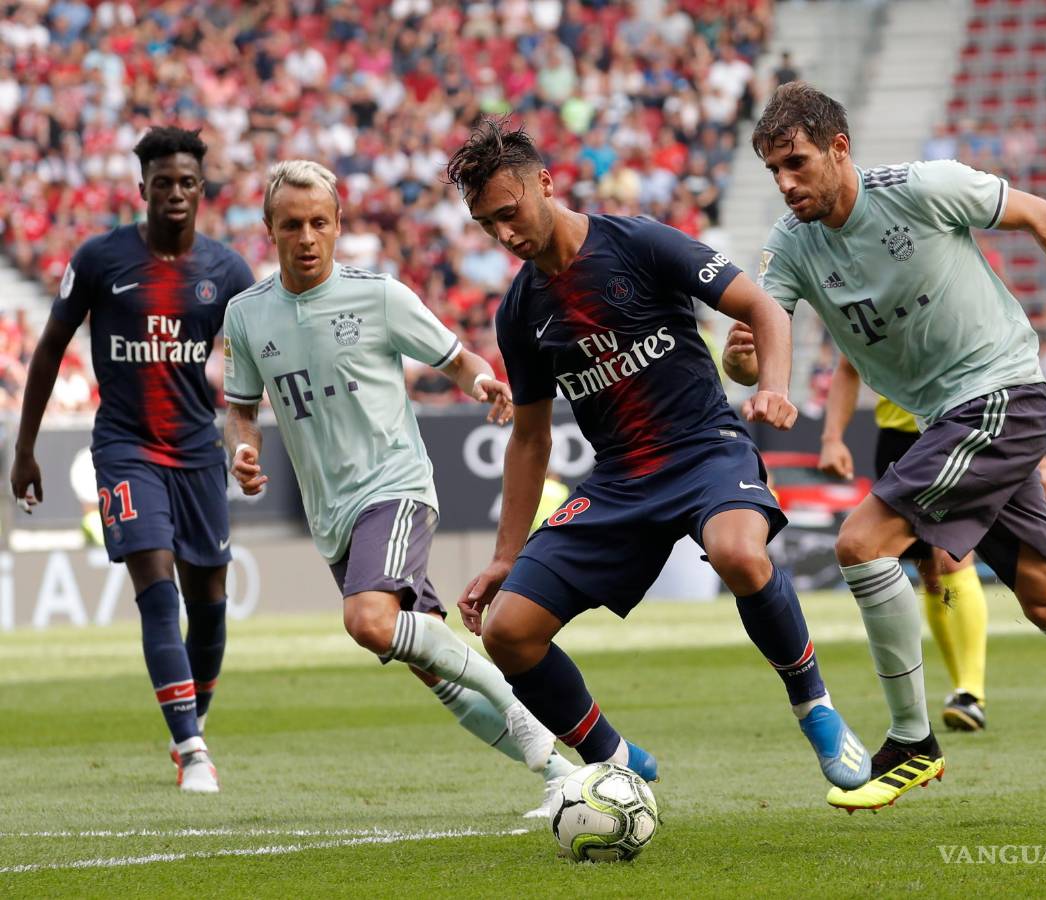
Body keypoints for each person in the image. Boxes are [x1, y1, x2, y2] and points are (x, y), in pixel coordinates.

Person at [724, 82, 1046, 816]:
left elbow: (1042, 215)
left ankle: (912, 742)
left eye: (797, 163)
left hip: (1001, 395)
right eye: (774, 172)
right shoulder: (791, 243)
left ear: (839, 148)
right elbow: (764, 330)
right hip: (947, 417)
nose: (786, 184)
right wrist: (751, 366)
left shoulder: (921, 188)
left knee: (860, 542)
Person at [447, 118, 871, 793]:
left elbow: (765, 308)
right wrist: (505, 555)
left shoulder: (637, 242)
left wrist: (775, 388)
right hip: (620, 481)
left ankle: (814, 705)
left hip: (705, 450)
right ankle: (615, 760)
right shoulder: (520, 311)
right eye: (486, 224)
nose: (503, 235)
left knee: (739, 554)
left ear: (546, 185)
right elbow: (531, 438)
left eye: (508, 213)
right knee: (507, 634)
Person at [221, 159, 573, 818]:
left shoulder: (378, 295)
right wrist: (243, 448)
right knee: (428, 663)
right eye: (291, 224)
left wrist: (483, 384)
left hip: (394, 485)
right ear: (269, 228)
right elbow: (241, 408)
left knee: (369, 621)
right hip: (331, 515)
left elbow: (455, 359)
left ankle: (534, 728)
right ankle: (559, 775)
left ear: (337, 225)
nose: (305, 236)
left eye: (318, 222)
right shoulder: (246, 316)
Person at [10, 127, 254, 794]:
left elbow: (253, 370)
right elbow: (50, 347)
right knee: (155, 586)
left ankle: (190, 722)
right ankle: (192, 746)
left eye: (186, 182)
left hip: (198, 452)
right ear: (141, 188)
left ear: (202, 190)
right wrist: (25, 447)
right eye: (162, 182)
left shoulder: (228, 272)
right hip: (124, 448)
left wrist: (244, 441)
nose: (174, 193)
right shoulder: (99, 259)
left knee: (209, 603)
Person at [816, 355, 990, 731]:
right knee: (929, 572)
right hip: (895, 438)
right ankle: (962, 688)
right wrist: (831, 437)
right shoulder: (864, 303)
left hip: (950, 425)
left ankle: (971, 692)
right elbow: (848, 367)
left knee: (951, 557)